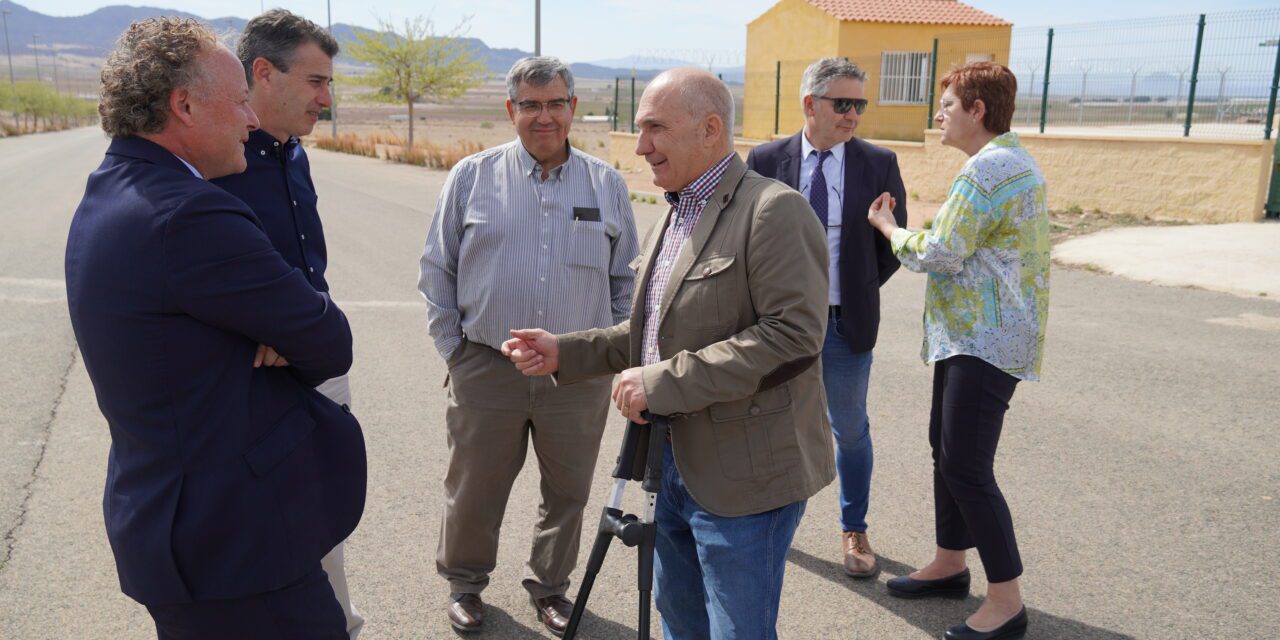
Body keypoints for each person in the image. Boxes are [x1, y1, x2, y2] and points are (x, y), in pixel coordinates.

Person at [502, 68, 834, 640]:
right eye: (639, 129)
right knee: (680, 621)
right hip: (670, 464)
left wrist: (662, 383)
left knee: (738, 631)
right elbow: (652, 333)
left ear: (710, 129)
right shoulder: (674, 212)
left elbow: (795, 336)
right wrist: (565, 352)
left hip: (746, 476)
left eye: (655, 128)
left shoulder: (772, 210)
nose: (641, 146)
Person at [65, 17, 365, 640]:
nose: (251, 121)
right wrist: (286, 332)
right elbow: (330, 340)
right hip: (236, 547)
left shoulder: (113, 187)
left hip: (182, 528)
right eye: (237, 104)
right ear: (184, 105)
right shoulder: (191, 214)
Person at [416, 56, 639, 635]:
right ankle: (466, 583)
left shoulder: (606, 184)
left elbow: (624, 281)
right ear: (511, 110)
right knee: (474, 489)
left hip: (577, 375)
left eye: (557, 103)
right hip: (488, 367)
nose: (546, 116)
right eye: (532, 105)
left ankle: (550, 588)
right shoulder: (470, 176)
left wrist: (609, 350)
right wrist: (457, 352)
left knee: (567, 492)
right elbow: (437, 269)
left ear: (573, 108)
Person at [866, 62, 1048, 640]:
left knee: (967, 466)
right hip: (976, 336)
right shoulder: (1009, 160)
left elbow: (941, 251)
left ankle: (1006, 602)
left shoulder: (987, 171)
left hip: (982, 340)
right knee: (946, 453)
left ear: (978, 111)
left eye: (948, 104)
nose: (938, 114)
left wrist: (887, 228)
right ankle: (950, 563)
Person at [209, 11, 363, 637]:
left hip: (314, 362)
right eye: (316, 81)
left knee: (323, 521)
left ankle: (339, 627)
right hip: (254, 382)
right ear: (263, 73)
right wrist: (253, 329)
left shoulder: (293, 152)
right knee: (265, 533)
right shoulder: (218, 159)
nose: (327, 98)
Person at [746, 57, 907, 579]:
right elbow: (745, 237)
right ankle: (762, 516)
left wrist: (851, 292)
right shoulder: (766, 158)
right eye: (843, 103)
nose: (854, 114)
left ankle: (853, 526)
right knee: (770, 421)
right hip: (777, 322)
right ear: (810, 103)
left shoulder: (879, 163)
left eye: (860, 103)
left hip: (844, 323)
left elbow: (890, 247)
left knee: (850, 428)